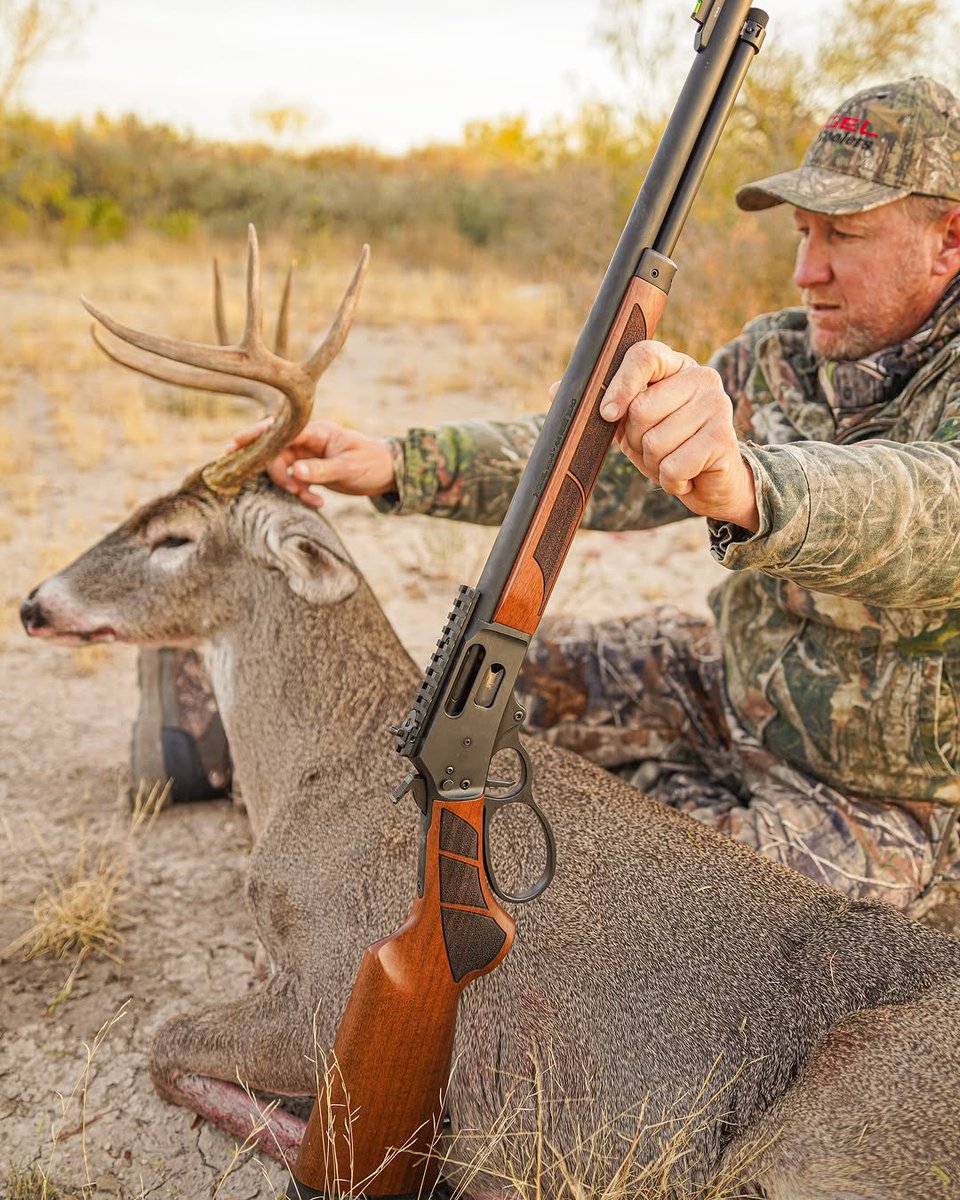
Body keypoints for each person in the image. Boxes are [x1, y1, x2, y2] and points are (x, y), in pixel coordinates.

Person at [148, 76, 960, 912]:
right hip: (726, 686)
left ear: (949, 236)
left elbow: (930, 509)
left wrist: (751, 483)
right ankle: (214, 740)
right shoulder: (779, 356)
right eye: (802, 231)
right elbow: (598, 465)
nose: (806, 270)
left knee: (656, 913)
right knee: (457, 711)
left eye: (846, 235)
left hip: (881, 798)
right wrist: (397, 463)